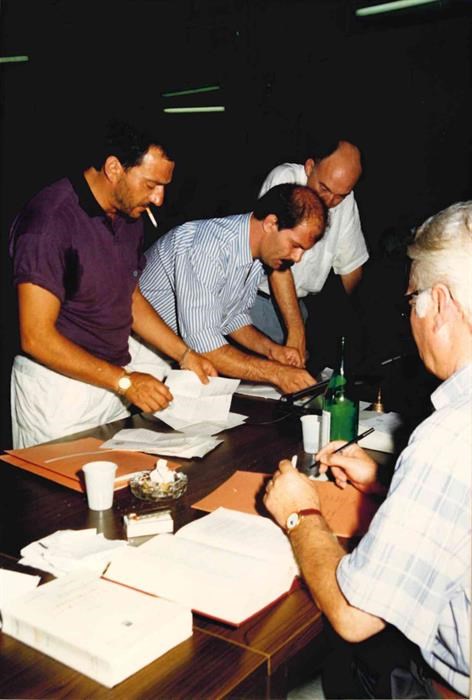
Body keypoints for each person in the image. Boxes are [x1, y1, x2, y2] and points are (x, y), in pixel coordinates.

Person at [264, 200, 471, 698]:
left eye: (411, 301)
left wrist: (299, 512)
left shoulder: (451, 435)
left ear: (440, 303)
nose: (410, 318)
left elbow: (355, 616)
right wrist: (386, 483)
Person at [9, 119, 216, 449]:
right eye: (151, 184)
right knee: (55, 484)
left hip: (112, 383)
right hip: (59, 395)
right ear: (114, 168)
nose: (159, 199)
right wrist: (125, 382)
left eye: (164, 186)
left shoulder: (129, 214)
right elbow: (36, 337)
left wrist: (184, 354)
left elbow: (129, 298)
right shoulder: (49, 222)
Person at [138, 184, 327, 394]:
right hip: (136, 349)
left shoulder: (255, 254)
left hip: (171, 354)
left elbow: (232, 317)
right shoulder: (207, 247)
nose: (297, 258)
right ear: (271, 223)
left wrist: (272, 351)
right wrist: (278, 373)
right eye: (295, 245)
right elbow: (205, 345)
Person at [251, 139, 369, 362]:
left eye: (341, 195)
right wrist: (297, 334)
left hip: (299, 308)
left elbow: (352, 268)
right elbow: (279, 265)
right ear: (309, 167)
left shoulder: (343, 198)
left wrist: (350, 324)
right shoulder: (285, 179)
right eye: (324, 188)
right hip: (256, 303)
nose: (330, 201)